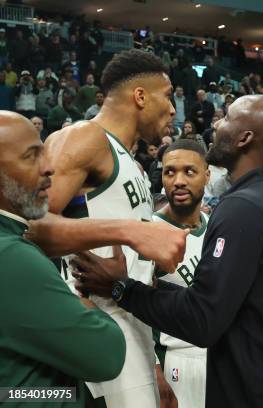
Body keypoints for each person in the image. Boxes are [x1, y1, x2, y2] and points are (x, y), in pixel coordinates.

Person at [72, 95, 263, 408]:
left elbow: (202, 319)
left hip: (252, 391)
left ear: (245, 138)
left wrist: (122, 288)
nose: (216, 124)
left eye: (227, 118)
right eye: (170, 171)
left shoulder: (242, 207)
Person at [37, 49, 188, 408]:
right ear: (139, 96)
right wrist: (130, 231)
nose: (172, 109)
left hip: (131, 324)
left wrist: (152, 361)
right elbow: (28, 226)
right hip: (92, 325)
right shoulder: (84, 138)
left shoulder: (131, 162)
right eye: (167, 97)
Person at [0, 111, 126, 407]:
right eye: (31, 157)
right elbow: (106, 354)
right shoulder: (11, 255)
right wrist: (85, 305)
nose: (49, 168)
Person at [153, 140, 211, 408]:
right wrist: (154, 369)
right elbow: (131, 313)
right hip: (176, 358)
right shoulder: (148, 231)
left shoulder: (218, 226)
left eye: (189, 171)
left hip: (221, 356)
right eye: (169, 172)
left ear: (207, 175)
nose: (178, 181)